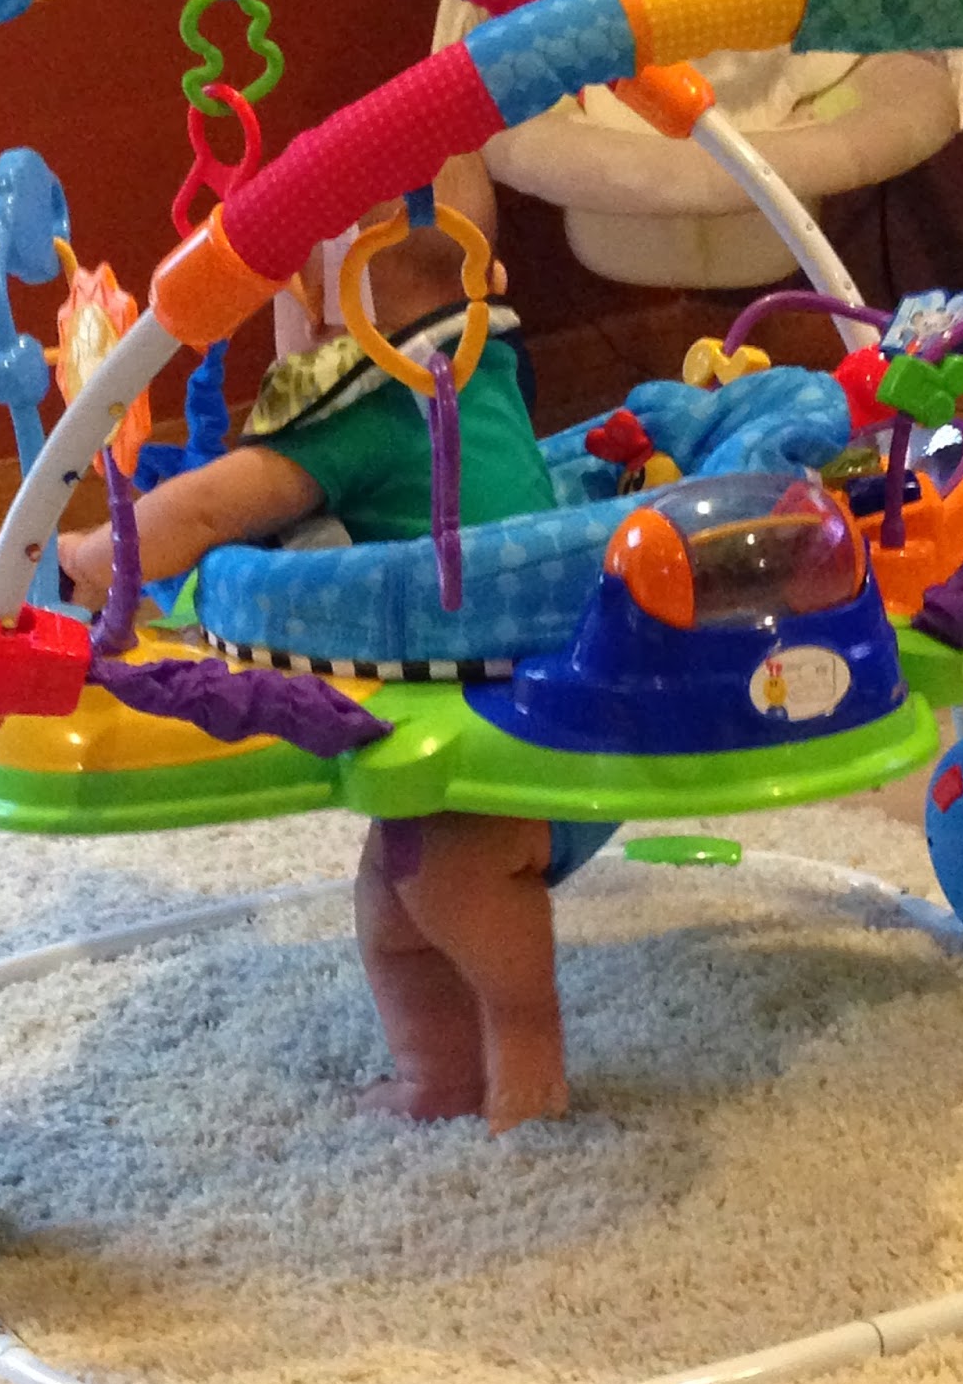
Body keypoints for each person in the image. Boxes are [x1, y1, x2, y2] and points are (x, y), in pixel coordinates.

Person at [59, 153, 617, 1133]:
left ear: (330, 297)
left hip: (499, 733)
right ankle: (438, 1076)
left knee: (449, 880)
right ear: (486, 278)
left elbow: (206, 508)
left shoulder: (371, 404)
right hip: (547, 699)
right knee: (396, 903)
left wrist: (91, 554)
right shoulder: (481, 363)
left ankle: (528, 1050)